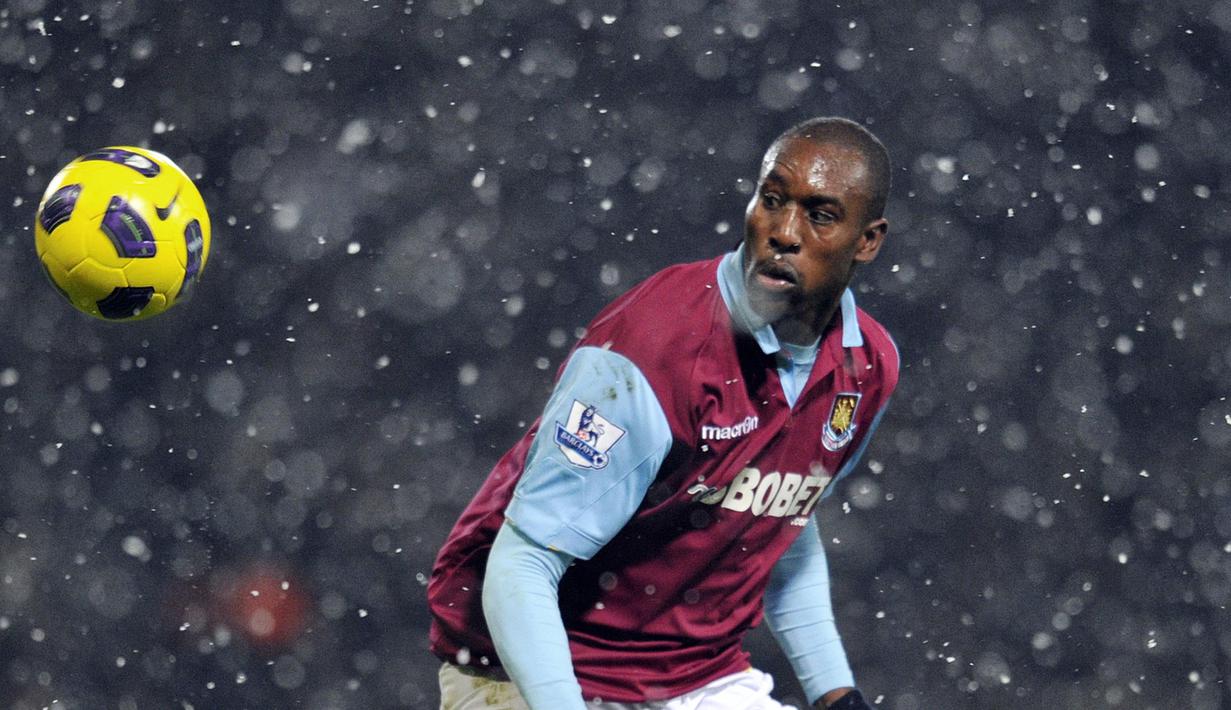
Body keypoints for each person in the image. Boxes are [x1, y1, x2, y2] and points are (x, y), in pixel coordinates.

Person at [428, 116, 899, 710]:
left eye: (820, 215)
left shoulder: (867, 366)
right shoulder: (651, 354)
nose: (784, 232)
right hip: (530, 671)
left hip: (696, 677)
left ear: (868, 241)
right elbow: (520, 566)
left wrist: (835, 693)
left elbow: (777, 523)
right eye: (772, 200)